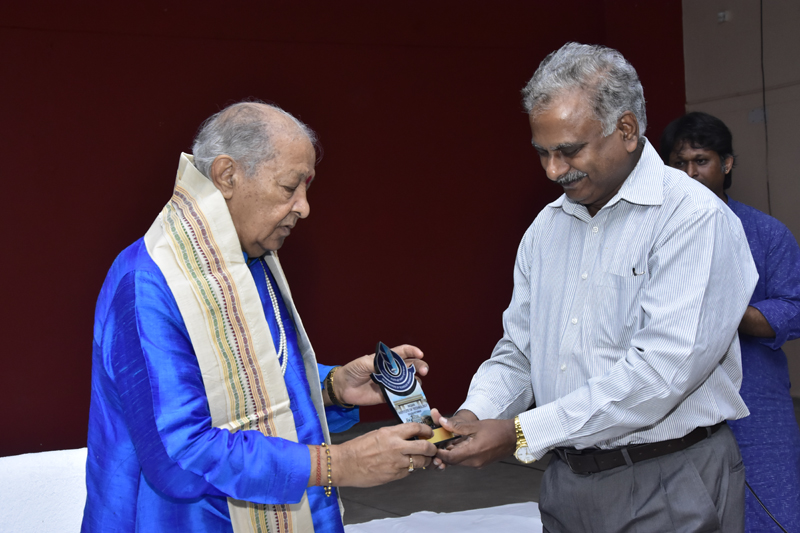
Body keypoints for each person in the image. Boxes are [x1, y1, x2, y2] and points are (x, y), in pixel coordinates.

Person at [431, 43, 758, 532]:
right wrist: (475, 414)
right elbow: (519, 352)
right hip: (566, 481)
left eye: (568, 151)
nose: (553, 170)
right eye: (542, 153)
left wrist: (520, 431)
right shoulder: (546, 229)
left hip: (667, 478)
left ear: (625, 130)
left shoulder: (692, 218)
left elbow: (660, 373)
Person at [81, 101, 438, 533]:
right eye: (289, 187)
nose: (304, 207)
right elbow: (179, 457)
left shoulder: (248, 258)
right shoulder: (150, 282)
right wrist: (338, 464)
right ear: (227, 176)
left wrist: (332, 388)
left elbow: (251, 391)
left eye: (306, 188)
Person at [660, 111, 800, 532]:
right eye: (678, 163)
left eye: (701, 161)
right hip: (672, 403)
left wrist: (726, 311)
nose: (689, 173)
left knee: (771, 508)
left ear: (727, 163)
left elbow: (794, 308)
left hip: (755, 400)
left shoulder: (766, 233)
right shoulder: (652, 237)